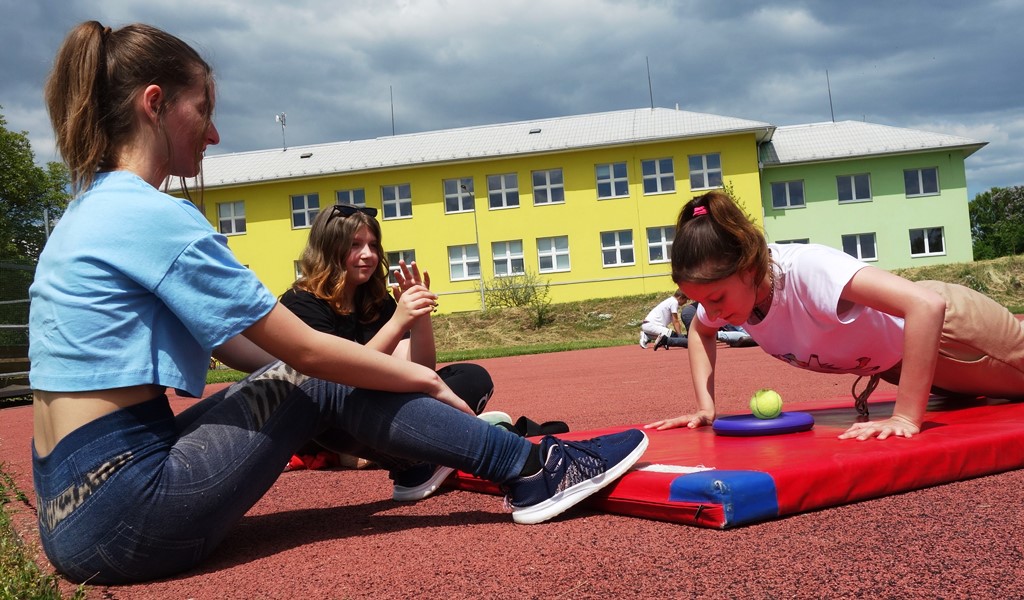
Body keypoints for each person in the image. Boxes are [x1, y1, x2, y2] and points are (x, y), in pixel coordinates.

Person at [29, 21, 648, 584]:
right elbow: (306, 354)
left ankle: (416, 461)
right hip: (125, 518)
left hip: (68, 516)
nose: (214, 133)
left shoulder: (86, 213)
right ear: (155, 104)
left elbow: (248, 355)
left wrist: (366, 390)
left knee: (307, 379)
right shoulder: (154, 216)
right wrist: (422, 380)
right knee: (316, 375)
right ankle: (532, 469)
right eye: (204, 109)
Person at [645, 189, 1024, 441]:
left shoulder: (808, 270)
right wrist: (706, 408)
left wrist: (906, 417)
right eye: (701, 301)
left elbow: (926, 306)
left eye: (716, 298)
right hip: (906, 363)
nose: (711, 312)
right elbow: (701, 331)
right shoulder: (735, 295)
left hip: (952, 332)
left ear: (748, 267)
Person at [280, 204, 496, 500]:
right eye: (355, 245)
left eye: (373, 245)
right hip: (331, 419)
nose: (368, 254)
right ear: (329, 248)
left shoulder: (376, 302)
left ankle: (417, 452)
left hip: (380, 404)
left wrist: (419, 316)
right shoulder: (301, 303)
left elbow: (421, 369)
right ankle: (426, 450)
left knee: (471, 378)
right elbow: (341, 378)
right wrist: (397, 322)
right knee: (341, 417)